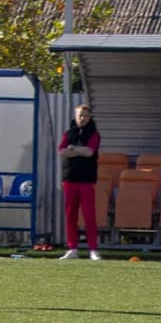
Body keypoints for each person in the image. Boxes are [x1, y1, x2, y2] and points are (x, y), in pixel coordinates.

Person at [57, 103, 103, 260]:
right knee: (70, 215)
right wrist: (77, 150)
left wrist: (73, 149)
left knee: (89, 215)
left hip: (86, 180)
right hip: (69, 179)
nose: (82, 118)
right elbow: (62, 152)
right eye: (80, 115)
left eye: (85, 115)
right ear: (75, 117)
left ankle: (93, 249)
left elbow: (89, 152)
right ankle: (72, 248)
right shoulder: (68, 133)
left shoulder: (94, 134)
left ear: (89, 117)